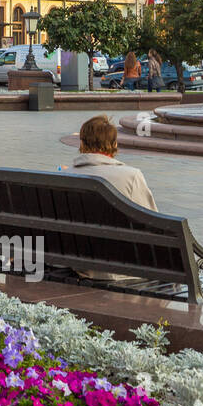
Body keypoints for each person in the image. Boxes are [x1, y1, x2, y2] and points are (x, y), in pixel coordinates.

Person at [68, 115, 158, 283]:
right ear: (115, 144)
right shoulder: (131, 176)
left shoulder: (66, 175)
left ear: (82, 143)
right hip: (122, 266)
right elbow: (153, 224)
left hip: (81, 264)